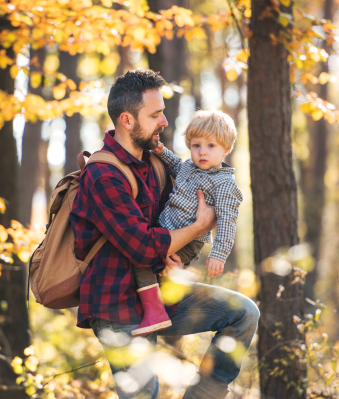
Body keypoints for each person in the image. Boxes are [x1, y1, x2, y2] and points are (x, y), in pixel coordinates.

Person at [70, 69, 259, 399]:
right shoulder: (103, 175)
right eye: (156, 114)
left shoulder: (153, 164)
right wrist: (200, 226)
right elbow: (144, 248)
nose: (164, 122)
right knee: (145, 395)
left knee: (243, 313)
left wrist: (182, 260)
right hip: (116, 304)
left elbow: (176, 226)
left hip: (160, 291)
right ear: (127, 121)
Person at [129, 109, 243, 337]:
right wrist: (161, 152)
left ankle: (156, 312)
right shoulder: (190, 167)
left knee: (147, 262)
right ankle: (155, 307)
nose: (202, 152)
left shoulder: (224, 183)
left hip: (188, 240)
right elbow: (176, 167)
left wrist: (219, 255)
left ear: (226, 149)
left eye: (211, 146)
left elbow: (227, 221)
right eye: (196, 145)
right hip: (165, 229)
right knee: (147, 263)